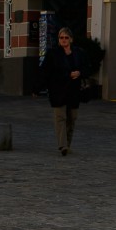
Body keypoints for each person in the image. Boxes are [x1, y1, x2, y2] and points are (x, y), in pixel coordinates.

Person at [45, 27, 86, 157]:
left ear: (71, 39)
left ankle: (67, 143)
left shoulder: (79, 53)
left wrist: (79, 73)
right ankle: (62, 145)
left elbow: (87, 67)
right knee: (60, 117)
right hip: (58, 90)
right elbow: (48, 72)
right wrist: (68, 74)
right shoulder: (53, 54)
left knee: (72, 118)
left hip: (74, 91)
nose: (63, 40)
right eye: (61, 38)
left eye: (66, 37)